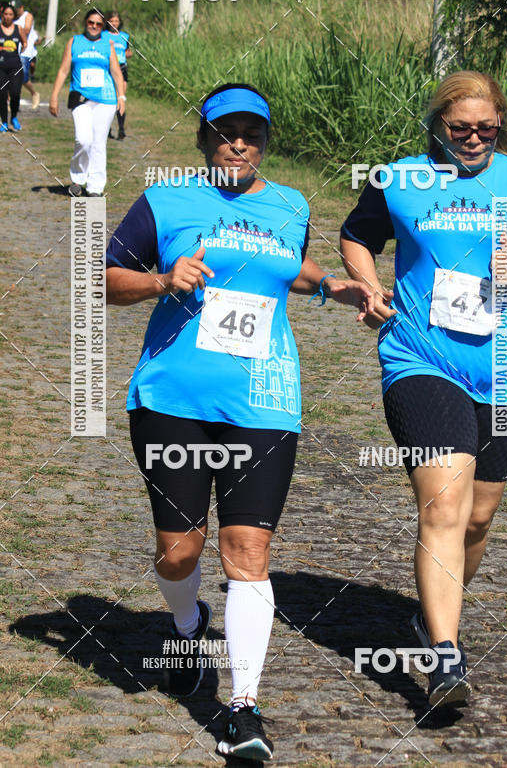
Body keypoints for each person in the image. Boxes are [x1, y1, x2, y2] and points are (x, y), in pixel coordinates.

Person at [106, 83, 374, 761]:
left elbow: (286, 267)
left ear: (265, 140)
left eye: (251, 133)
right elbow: (107, 278)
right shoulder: (166, 202)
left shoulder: (291, 205)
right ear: (202, 138)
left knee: (248, 551)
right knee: (180, 551)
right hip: (173, 401)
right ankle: (188, 621)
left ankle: (243, 708)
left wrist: (335, 289)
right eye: (225, 132)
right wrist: (164, 281)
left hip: (264, 402)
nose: (238, 144)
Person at [340, 71, 507, 709]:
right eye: (460, 128)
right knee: (444, 506)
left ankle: (428, 616)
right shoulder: (400, 179)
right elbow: (358, 235)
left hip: (505, 371)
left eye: (486, 128)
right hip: (422, 359)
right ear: (436, 125)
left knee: (477, 516)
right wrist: (368, 285)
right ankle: (445, 660)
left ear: (500, 124)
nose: (474, 139)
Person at [49, 9, 125, 196]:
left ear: (103, 26)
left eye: (98, 24)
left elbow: (116, 72)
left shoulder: (108, 45)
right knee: (83, 139)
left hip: (105, 100)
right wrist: (54, 96)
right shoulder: (74, 42)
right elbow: (63, 71)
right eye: (91, 22)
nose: (94, 26)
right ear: (85, 22)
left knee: (98, 143)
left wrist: (121, 97)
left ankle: (95, 187)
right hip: (80, 98)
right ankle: (77, 178)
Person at [102, 10, 131, 139]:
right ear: (108, 22)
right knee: (110, 100)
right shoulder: (103, 35)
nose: (114, 23)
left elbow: (128, 51)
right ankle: (107, 128)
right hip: (108, 70)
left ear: (120, 23)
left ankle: (121, 129)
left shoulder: (125, 36)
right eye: (112, 21)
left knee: (121, 98)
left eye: (116, 21)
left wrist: (126, 55)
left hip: (122, 69)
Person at [0, 3, 27, 132]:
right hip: (1, 68)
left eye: (10, 14)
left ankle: (14, 117)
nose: (8, 17)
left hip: (15, 66)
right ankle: (4, 122)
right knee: (2, 94)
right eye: (6, 14)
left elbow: (25, 42)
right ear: (2, 15)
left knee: (15, 93)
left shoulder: (19, 28)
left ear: (14, 16)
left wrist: (20, 53)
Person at [11, 0, 41, 110]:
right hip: (11, 50)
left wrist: (11, 31)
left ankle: (34, 93)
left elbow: (27, 30)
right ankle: (11, 100)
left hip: (25, 51)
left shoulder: (27, 16)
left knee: (23, 76)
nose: (14, 13)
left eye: (15, 10)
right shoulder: (10, 18)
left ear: (21, 8)